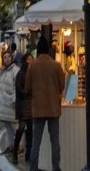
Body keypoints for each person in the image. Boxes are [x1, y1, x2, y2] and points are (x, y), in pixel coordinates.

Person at [26, 37, 65, 171]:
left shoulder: (32, 66)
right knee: (55, 141)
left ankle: (33, 167)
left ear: (38, 50)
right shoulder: (56, 65)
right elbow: (62, 85)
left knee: (36, 142)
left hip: (38, 108)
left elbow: (27, 88)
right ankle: (56, 167)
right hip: (53, 108)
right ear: (48, 50)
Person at [0, 50, 18, 156]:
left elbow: (17, 86)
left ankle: (19, 146)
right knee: (7, 126)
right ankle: (11, 146)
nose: (7, 59)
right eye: (5, 57)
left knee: (14, 126)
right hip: (3, 103)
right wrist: (0, 71)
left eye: (8, 57)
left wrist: (14, 100)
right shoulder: (3, 70)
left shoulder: (15, 70)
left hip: (10, 103)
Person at [12, 52, 33, 166]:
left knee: (30, 130)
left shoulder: (33, 73)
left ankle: (28, 154)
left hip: (31, 104)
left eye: (31, 59)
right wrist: (26, 92)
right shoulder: (21, 73)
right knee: (21, 128)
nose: (30, 61)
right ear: (25, 60)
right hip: (23, 104)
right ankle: (15, 152)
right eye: (28, 59)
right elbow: (18, 87)